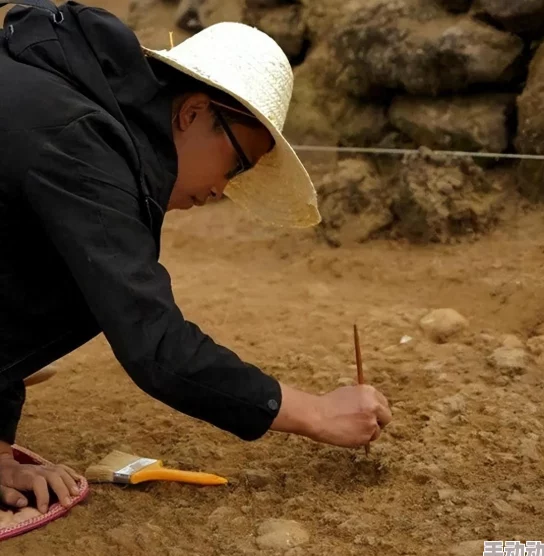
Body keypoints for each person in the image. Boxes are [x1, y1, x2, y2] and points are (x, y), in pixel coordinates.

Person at [0, 0, 392, 515]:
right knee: (94, 284)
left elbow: (11, 268)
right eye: (237, 163)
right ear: (192, 112)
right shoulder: (81, 146)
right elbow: (154, 344)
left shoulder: (66, 102)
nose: (224, 189)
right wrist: (316, 412)